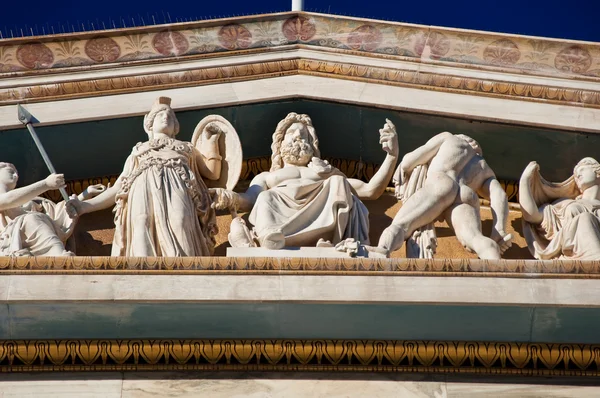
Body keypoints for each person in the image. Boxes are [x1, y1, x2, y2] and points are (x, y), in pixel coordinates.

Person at [210, 112, 398, 249]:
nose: (298, 137)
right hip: (278, 216)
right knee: (266, 197)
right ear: (280, 143)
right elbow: (249, 200)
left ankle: (325, 237)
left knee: (338, 182)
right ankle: (272, 236)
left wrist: (391, 156)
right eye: (292, 134)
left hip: (322, 211)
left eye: (304, 135)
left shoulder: (325, 172)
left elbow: (371, 190)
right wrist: (229, 197)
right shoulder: (268, 176)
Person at [67, 97, 220, 256]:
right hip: (142, 186)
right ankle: (142, 270)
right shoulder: (138, 151)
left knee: (180, 220)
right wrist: (85, 206)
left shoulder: (186, 147)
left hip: (177, 185)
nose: (165, 116)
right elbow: (119, 187)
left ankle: (186, 270)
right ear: (150, 125)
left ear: (176, 126)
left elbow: (213, 173)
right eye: (160, 115)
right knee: (141, 221)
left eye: (169, 115)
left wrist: (212, 143)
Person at [376, 132, 511, 259]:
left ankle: (381, 252)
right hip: (466, 194)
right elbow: (499, 194)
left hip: (442, 183)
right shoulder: (483, 165)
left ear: (462, 138)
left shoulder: (449, 138)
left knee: (401, 225)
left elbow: (407, 163)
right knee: (476, 239)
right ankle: (494, 263)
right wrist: (498, 230)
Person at [519, 158, 600, 260]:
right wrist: (524, 181)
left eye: (582, 169)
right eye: (575, 175)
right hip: (578, 258)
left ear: (598, 172)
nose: (578, 175)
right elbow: (532, 216)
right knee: (585, 218)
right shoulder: (565, 204)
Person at [0, 163, 74, 256]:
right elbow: (9, 199)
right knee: (31, 219)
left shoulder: (31, 201)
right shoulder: (11, 199)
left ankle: (58, 255)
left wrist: (84, 196)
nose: (16, 176)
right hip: (8, 239)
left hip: (29, 233)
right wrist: (46, 184)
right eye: (11, 172)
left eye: (17, 174)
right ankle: (58, 255)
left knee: (34, 218)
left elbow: (58, 214)